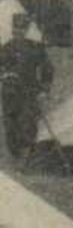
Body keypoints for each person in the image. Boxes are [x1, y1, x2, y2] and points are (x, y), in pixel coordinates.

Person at [0, 12, 52, 161]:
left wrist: (44, 90)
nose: (18, 32)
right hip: (9, 93)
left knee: (28, 123)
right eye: (16, 29)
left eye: (22, 28)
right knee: (11, 124)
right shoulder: (5, 48)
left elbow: (48, 68)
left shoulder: (36, 47)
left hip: (30, 92)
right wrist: (4, 75)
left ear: (27, 29)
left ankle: (28, 156)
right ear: (12, 29)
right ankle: (16, 156)